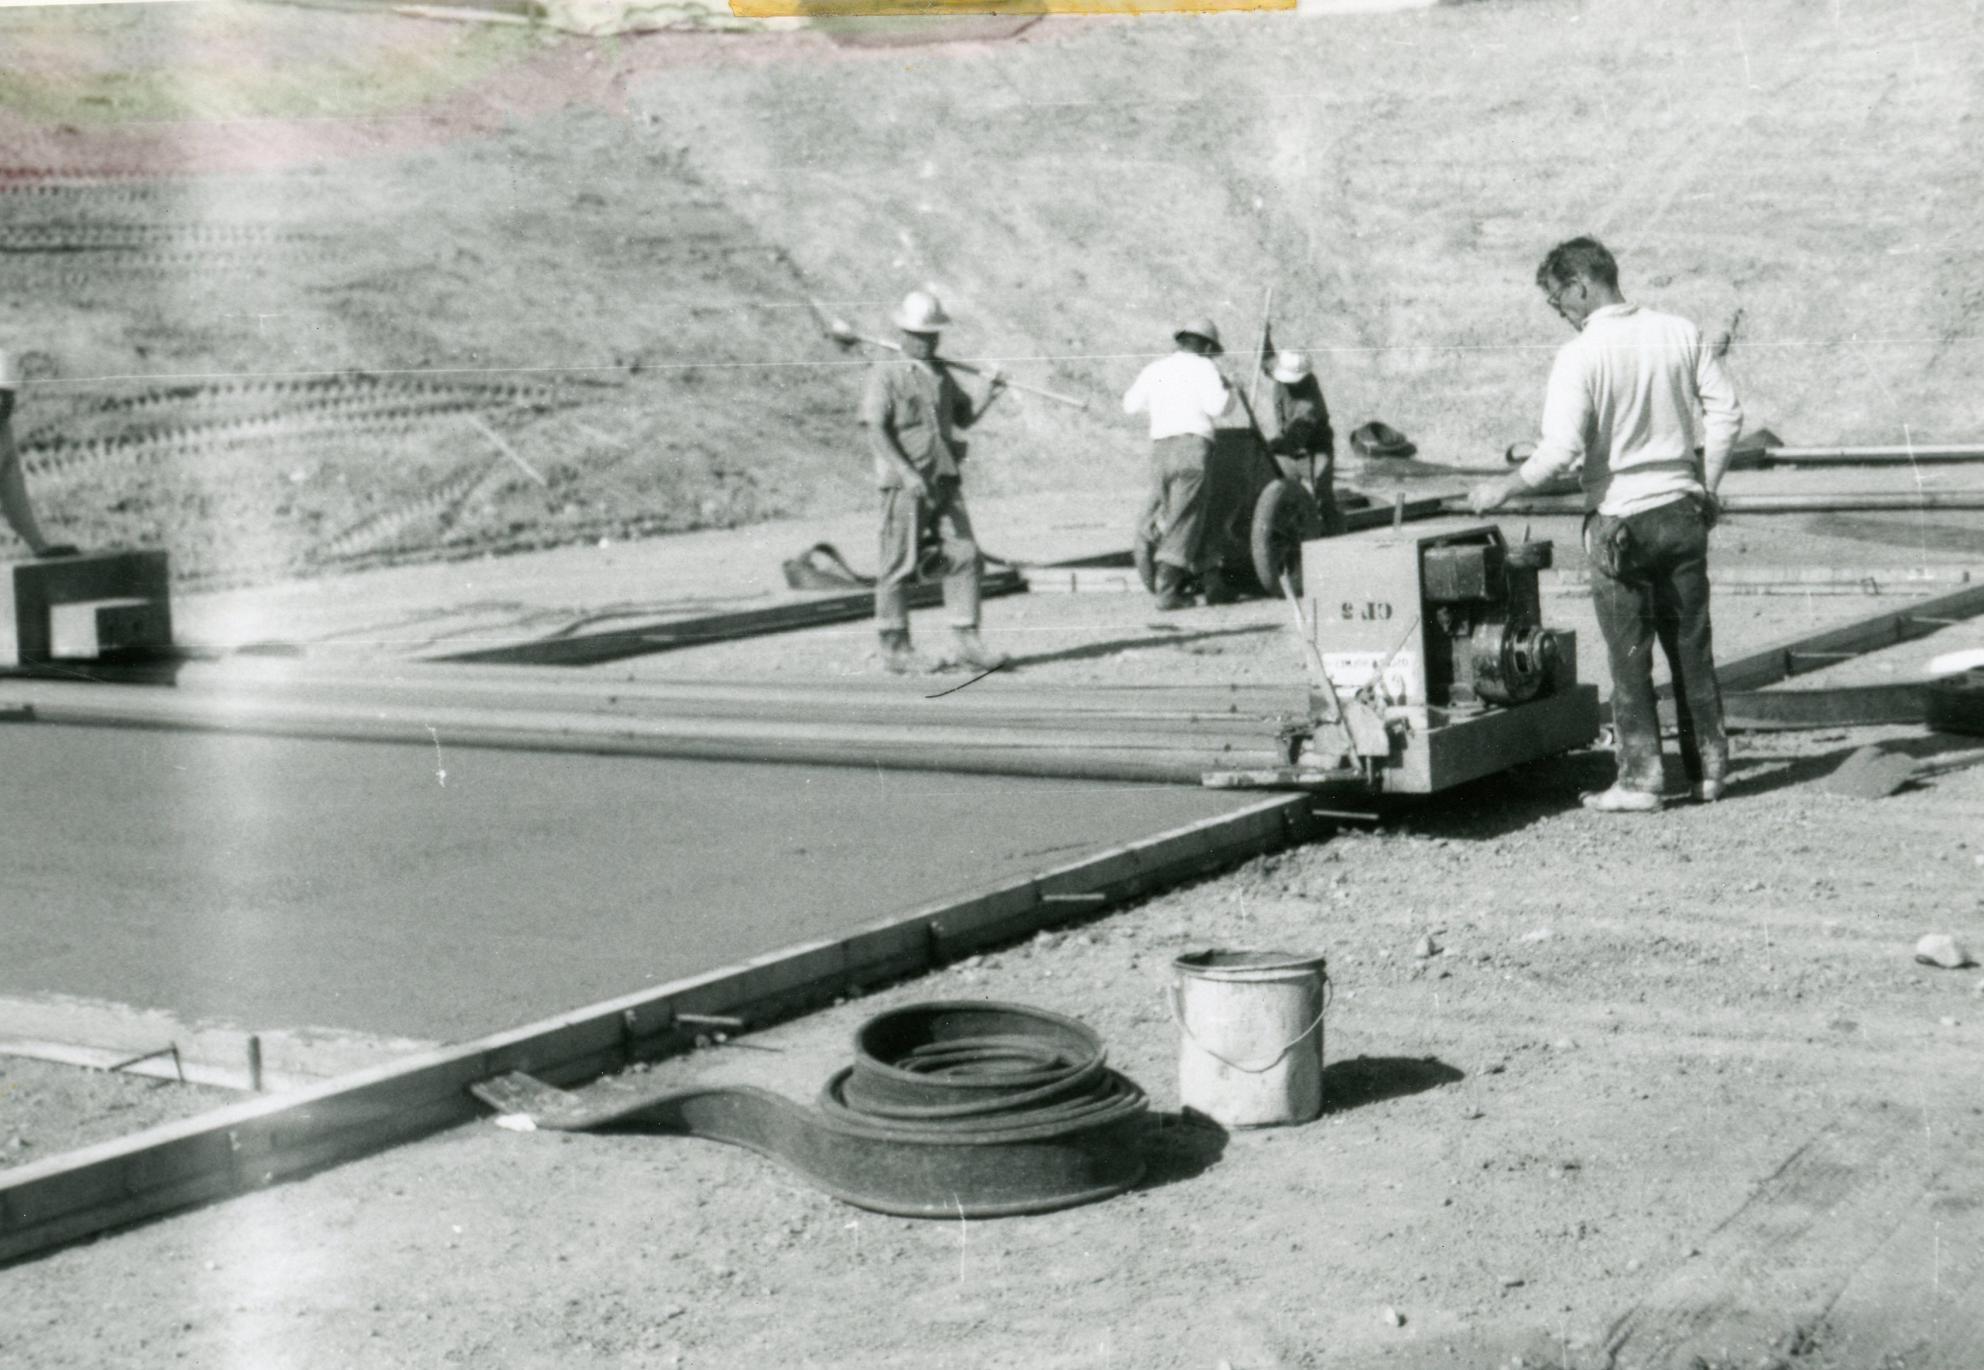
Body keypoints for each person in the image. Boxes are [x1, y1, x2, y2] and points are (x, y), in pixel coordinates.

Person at [1469, 236, 1742, 813]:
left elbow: (1562, 450)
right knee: (1691, 646)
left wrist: (1505, 487)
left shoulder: (1580, 355)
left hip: (1621, 522)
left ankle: (1642, 780)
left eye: (1557, 302)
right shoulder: (1679, 330)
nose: (1561, 315)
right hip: (1682, 512)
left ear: (1580, 286)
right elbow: (1727, 414)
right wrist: (1707, 486)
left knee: (1629, 653)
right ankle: (1710, 772)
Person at [860, 288, 1007, 675]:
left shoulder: (941, 374)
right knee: (898, 562)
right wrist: (907, 473)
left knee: (965, 554)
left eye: (933, 336)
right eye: (920, 336)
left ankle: (967, 641)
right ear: (903, 334)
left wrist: (989, 392)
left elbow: (963, 419)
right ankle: (895, 647)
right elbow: (875, 428)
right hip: (905, 482)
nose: (928, 342)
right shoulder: (885, 373)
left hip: (944, 477)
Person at [1122, 318, 1231, 610]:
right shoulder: (1205, 368)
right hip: (1191, 449)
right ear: (1207, 346)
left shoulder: (1155, 369)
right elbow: (1218, 407)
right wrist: (1228, 390)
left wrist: (1163, 403)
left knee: (1191, 512)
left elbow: (1130, 405)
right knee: (1186, 518)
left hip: (1160, 451)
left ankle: (1213, 584)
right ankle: (1167, 591)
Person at [0, 344, 74, 559]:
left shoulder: (3, 432)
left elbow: (14, 494)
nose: (3, 404)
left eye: (7, 397)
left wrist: (39, 547)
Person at [1261, 348, 1345, 536]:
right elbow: (1266, 360)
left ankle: (1333, 537)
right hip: (1290, 446)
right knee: (1285, 496)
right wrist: (1265, 337)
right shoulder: (1280, 370)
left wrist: (1272, 446)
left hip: (1314, 450)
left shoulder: (1308, 404)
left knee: (1320, 500)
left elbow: (1295, 438)